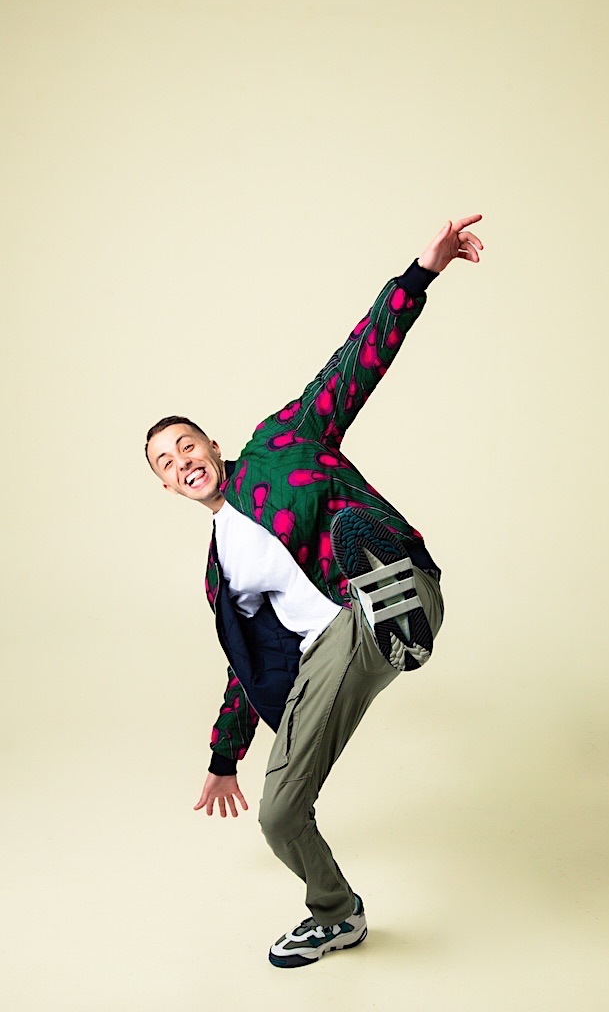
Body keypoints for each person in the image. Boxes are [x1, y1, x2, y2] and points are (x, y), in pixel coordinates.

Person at [145, 215, 484, 968]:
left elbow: (352, 363)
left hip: (382, 591)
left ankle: (396, 599)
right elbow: (248, 668)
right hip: (332, 651)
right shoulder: (222, 574)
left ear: (212, 445)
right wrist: (224, 756)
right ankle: (336, 915)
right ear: (168, 486)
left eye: (187, 445)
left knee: (369, 570)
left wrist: (420, 274)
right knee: (278, 814)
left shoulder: (282, 444)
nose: (182, 461)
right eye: (166, 463)